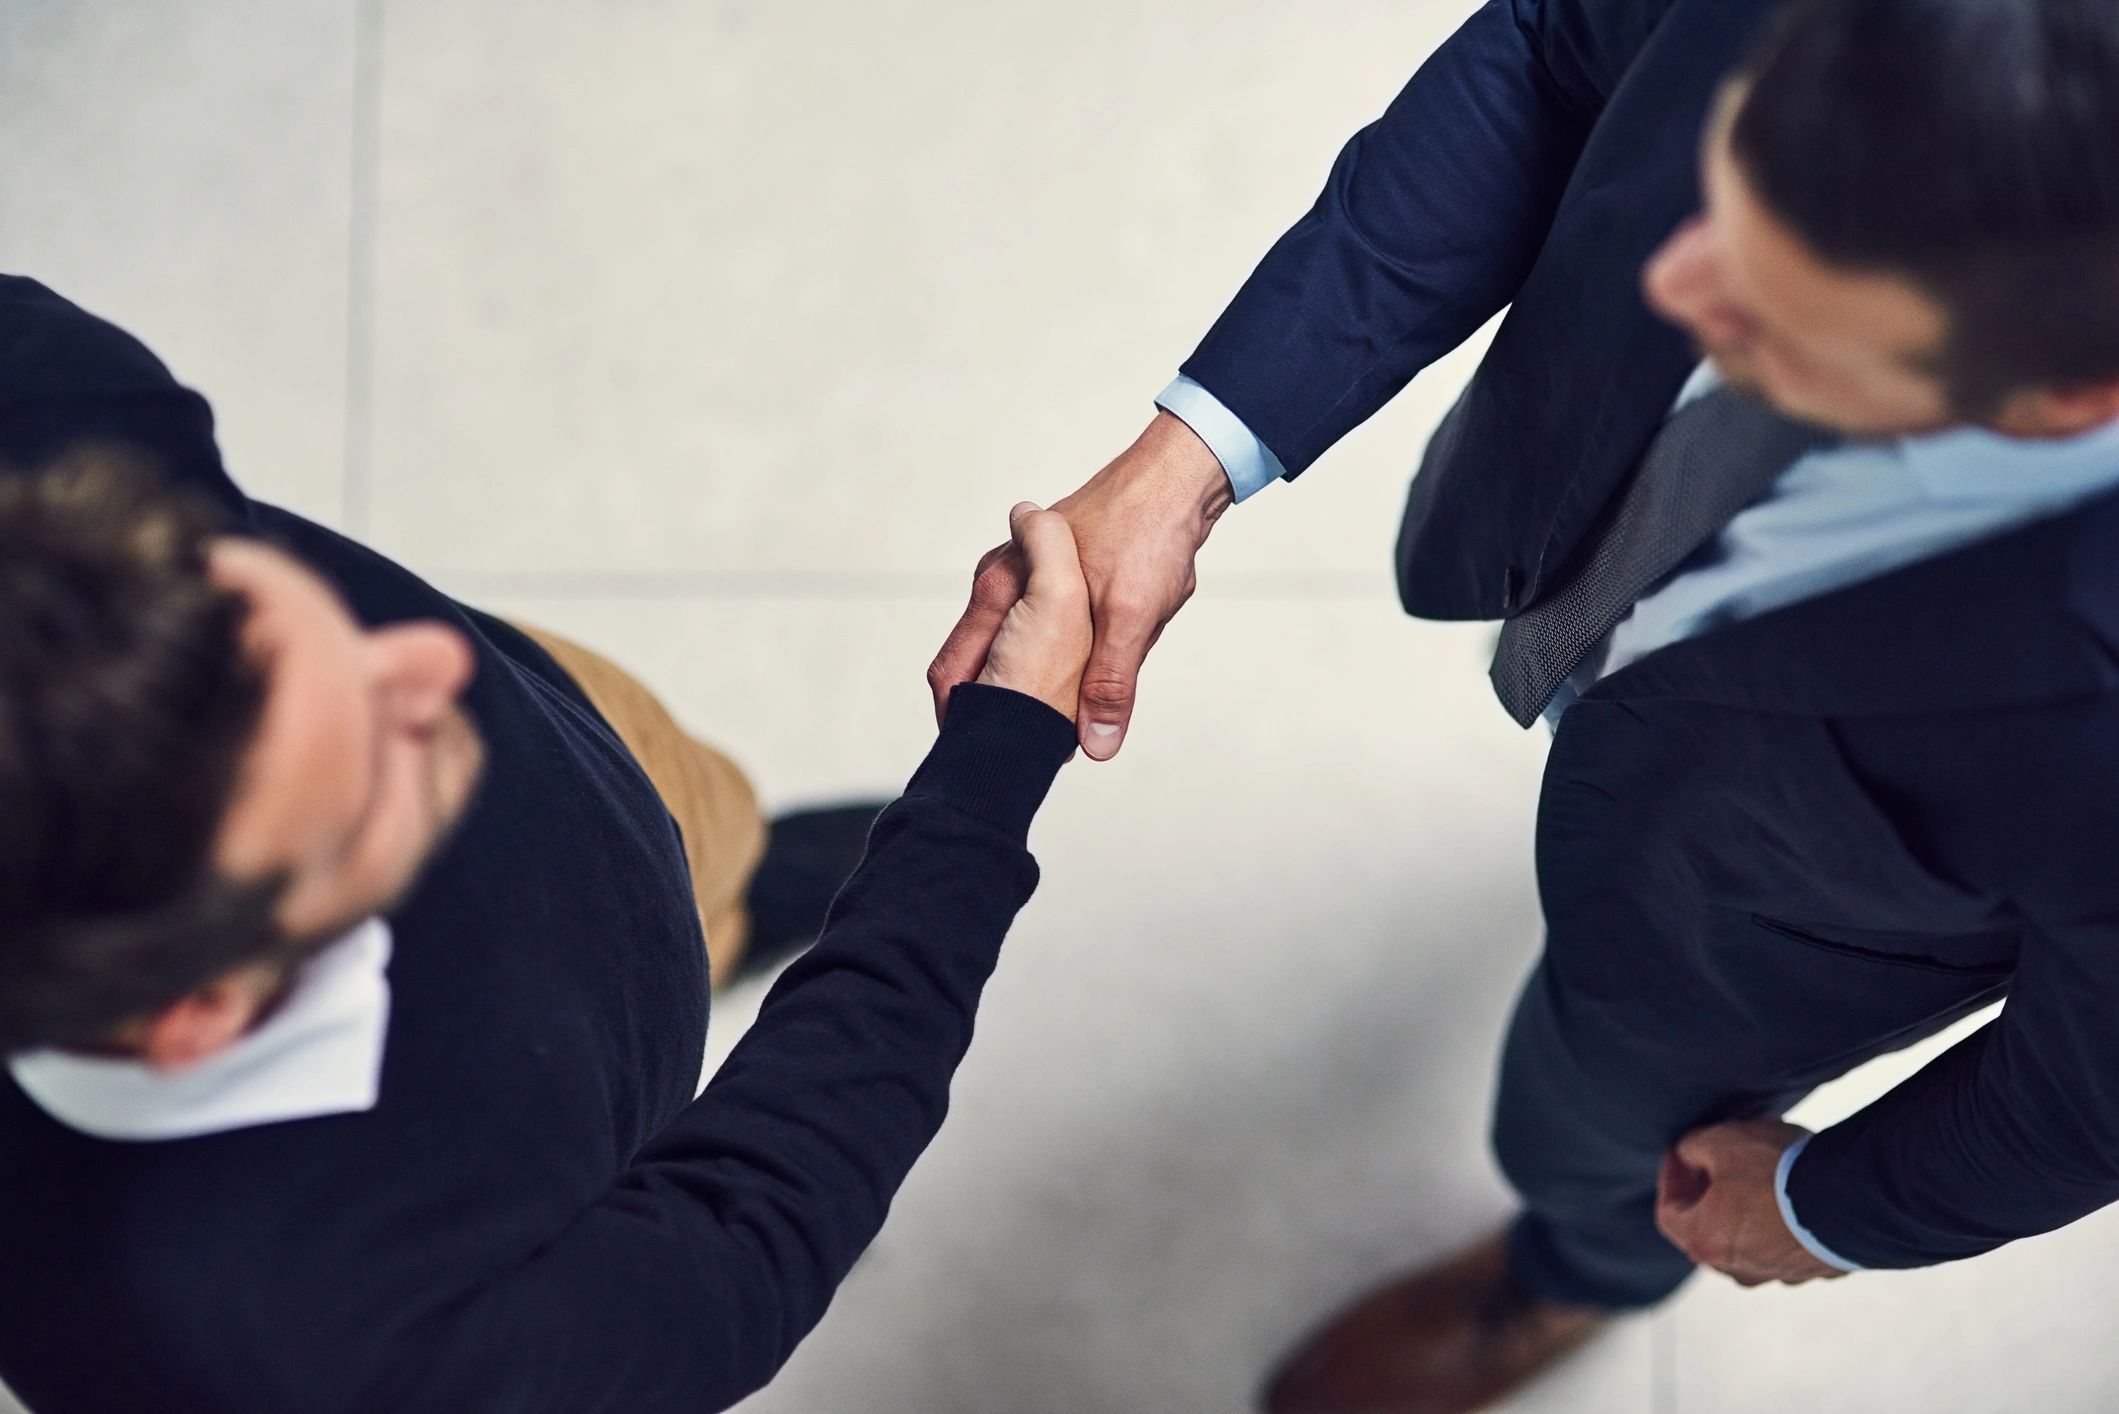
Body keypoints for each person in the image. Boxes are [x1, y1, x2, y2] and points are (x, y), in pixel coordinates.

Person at [931, 0, 2119, 1409]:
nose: (1671, 292)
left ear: (2064, 394)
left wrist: (1820, 1205)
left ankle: (1564, 1272)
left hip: (1774, 917)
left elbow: (2084, 1083)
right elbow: (1556, 50)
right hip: (1685, 664)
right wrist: (1186, 455)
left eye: (1781, 324)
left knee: (1589, 1129)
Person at [0, 274, 1092, 1413]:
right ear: (198, 1010)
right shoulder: (304, 1352)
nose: (435, 664)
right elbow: (752, 1226)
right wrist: (991, 770)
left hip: (598, 760)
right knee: (740, 1113)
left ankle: (729, 898)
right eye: (377, 770)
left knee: (697, 819)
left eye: (277, 592)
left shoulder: (51, 435)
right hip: (587, 1162)